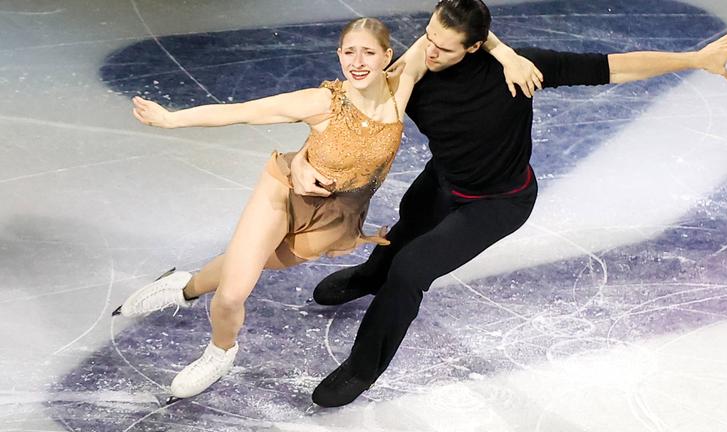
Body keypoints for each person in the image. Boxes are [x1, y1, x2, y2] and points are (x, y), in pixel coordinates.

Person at [304, 0, 727, 407]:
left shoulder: (518, 71)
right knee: (406, 227)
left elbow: (614, 67)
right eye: (428, 37)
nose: (429, 50)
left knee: (410, 270)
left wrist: (694, 59)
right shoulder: (414, 73)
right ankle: (369, 276)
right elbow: (352, 122)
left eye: (444, 46)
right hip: (442, 182)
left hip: (497, 202)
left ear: (475, 46)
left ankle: (362, 368)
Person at [113, 17, 540, 400]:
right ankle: (219, 352)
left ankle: (184, 287)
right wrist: (172, 119)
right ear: (338, 56)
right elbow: (244, 112)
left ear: (387, 56)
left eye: (367, 52)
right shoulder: (322, 102)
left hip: (334, 219)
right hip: (285, 193)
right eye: (348, 52)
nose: (357, 61)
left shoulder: (402, 85)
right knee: (233, 291)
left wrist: (505, 53)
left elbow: (454, 19)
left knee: (245, 262)